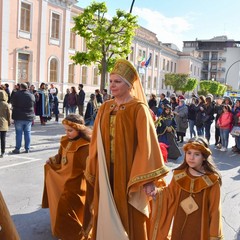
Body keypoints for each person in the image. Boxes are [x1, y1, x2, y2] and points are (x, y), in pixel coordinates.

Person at [83, 59, 168, 239]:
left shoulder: (138, 108)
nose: (112, 85)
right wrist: (93, 165)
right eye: (111, 81)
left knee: (128, 215)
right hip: (106, 171)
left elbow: (148, 145)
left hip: (130, 174)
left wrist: (147, 179)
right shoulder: (106, 106)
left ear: (129, 85)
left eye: (117, 81)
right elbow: (95, 140)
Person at [150, 137, 223, 240]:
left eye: (196, 154)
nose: (191, 157)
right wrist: (156, 193)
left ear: (204, 157)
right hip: (179, 228)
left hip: (200, 231)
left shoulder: (212, 181)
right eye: (189, 153)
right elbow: (169, 194)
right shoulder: (179, 175)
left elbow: (215, 211)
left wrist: (214, 236)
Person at [42, 114, 92, 240]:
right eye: (65, 130)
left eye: (70, 130)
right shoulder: (65, 141)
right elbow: (60, 156)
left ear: (79, 129)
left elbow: (90, 170)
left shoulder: (85, 147)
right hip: (62, 181)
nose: (67, 133)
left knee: (70, 214)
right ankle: (65, 235)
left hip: (76, 188)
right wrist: (52, 160)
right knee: (62, 211)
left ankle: (76, 236)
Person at [10, 83, 35, 154]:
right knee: (27, 133)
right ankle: (27, 148)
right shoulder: (31, 95)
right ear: (27, 88)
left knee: (18, 133)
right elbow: (33, 103)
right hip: (28, 117)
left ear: (20, 87)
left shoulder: (16, 94)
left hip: (18, 116)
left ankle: (17, 148)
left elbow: (12, 102)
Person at [0, 90, 11, 157]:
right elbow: (8, 115)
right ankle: (3, 152)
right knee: (3, 139)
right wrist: (9, 123)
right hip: (4, 123)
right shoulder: (6, 104)